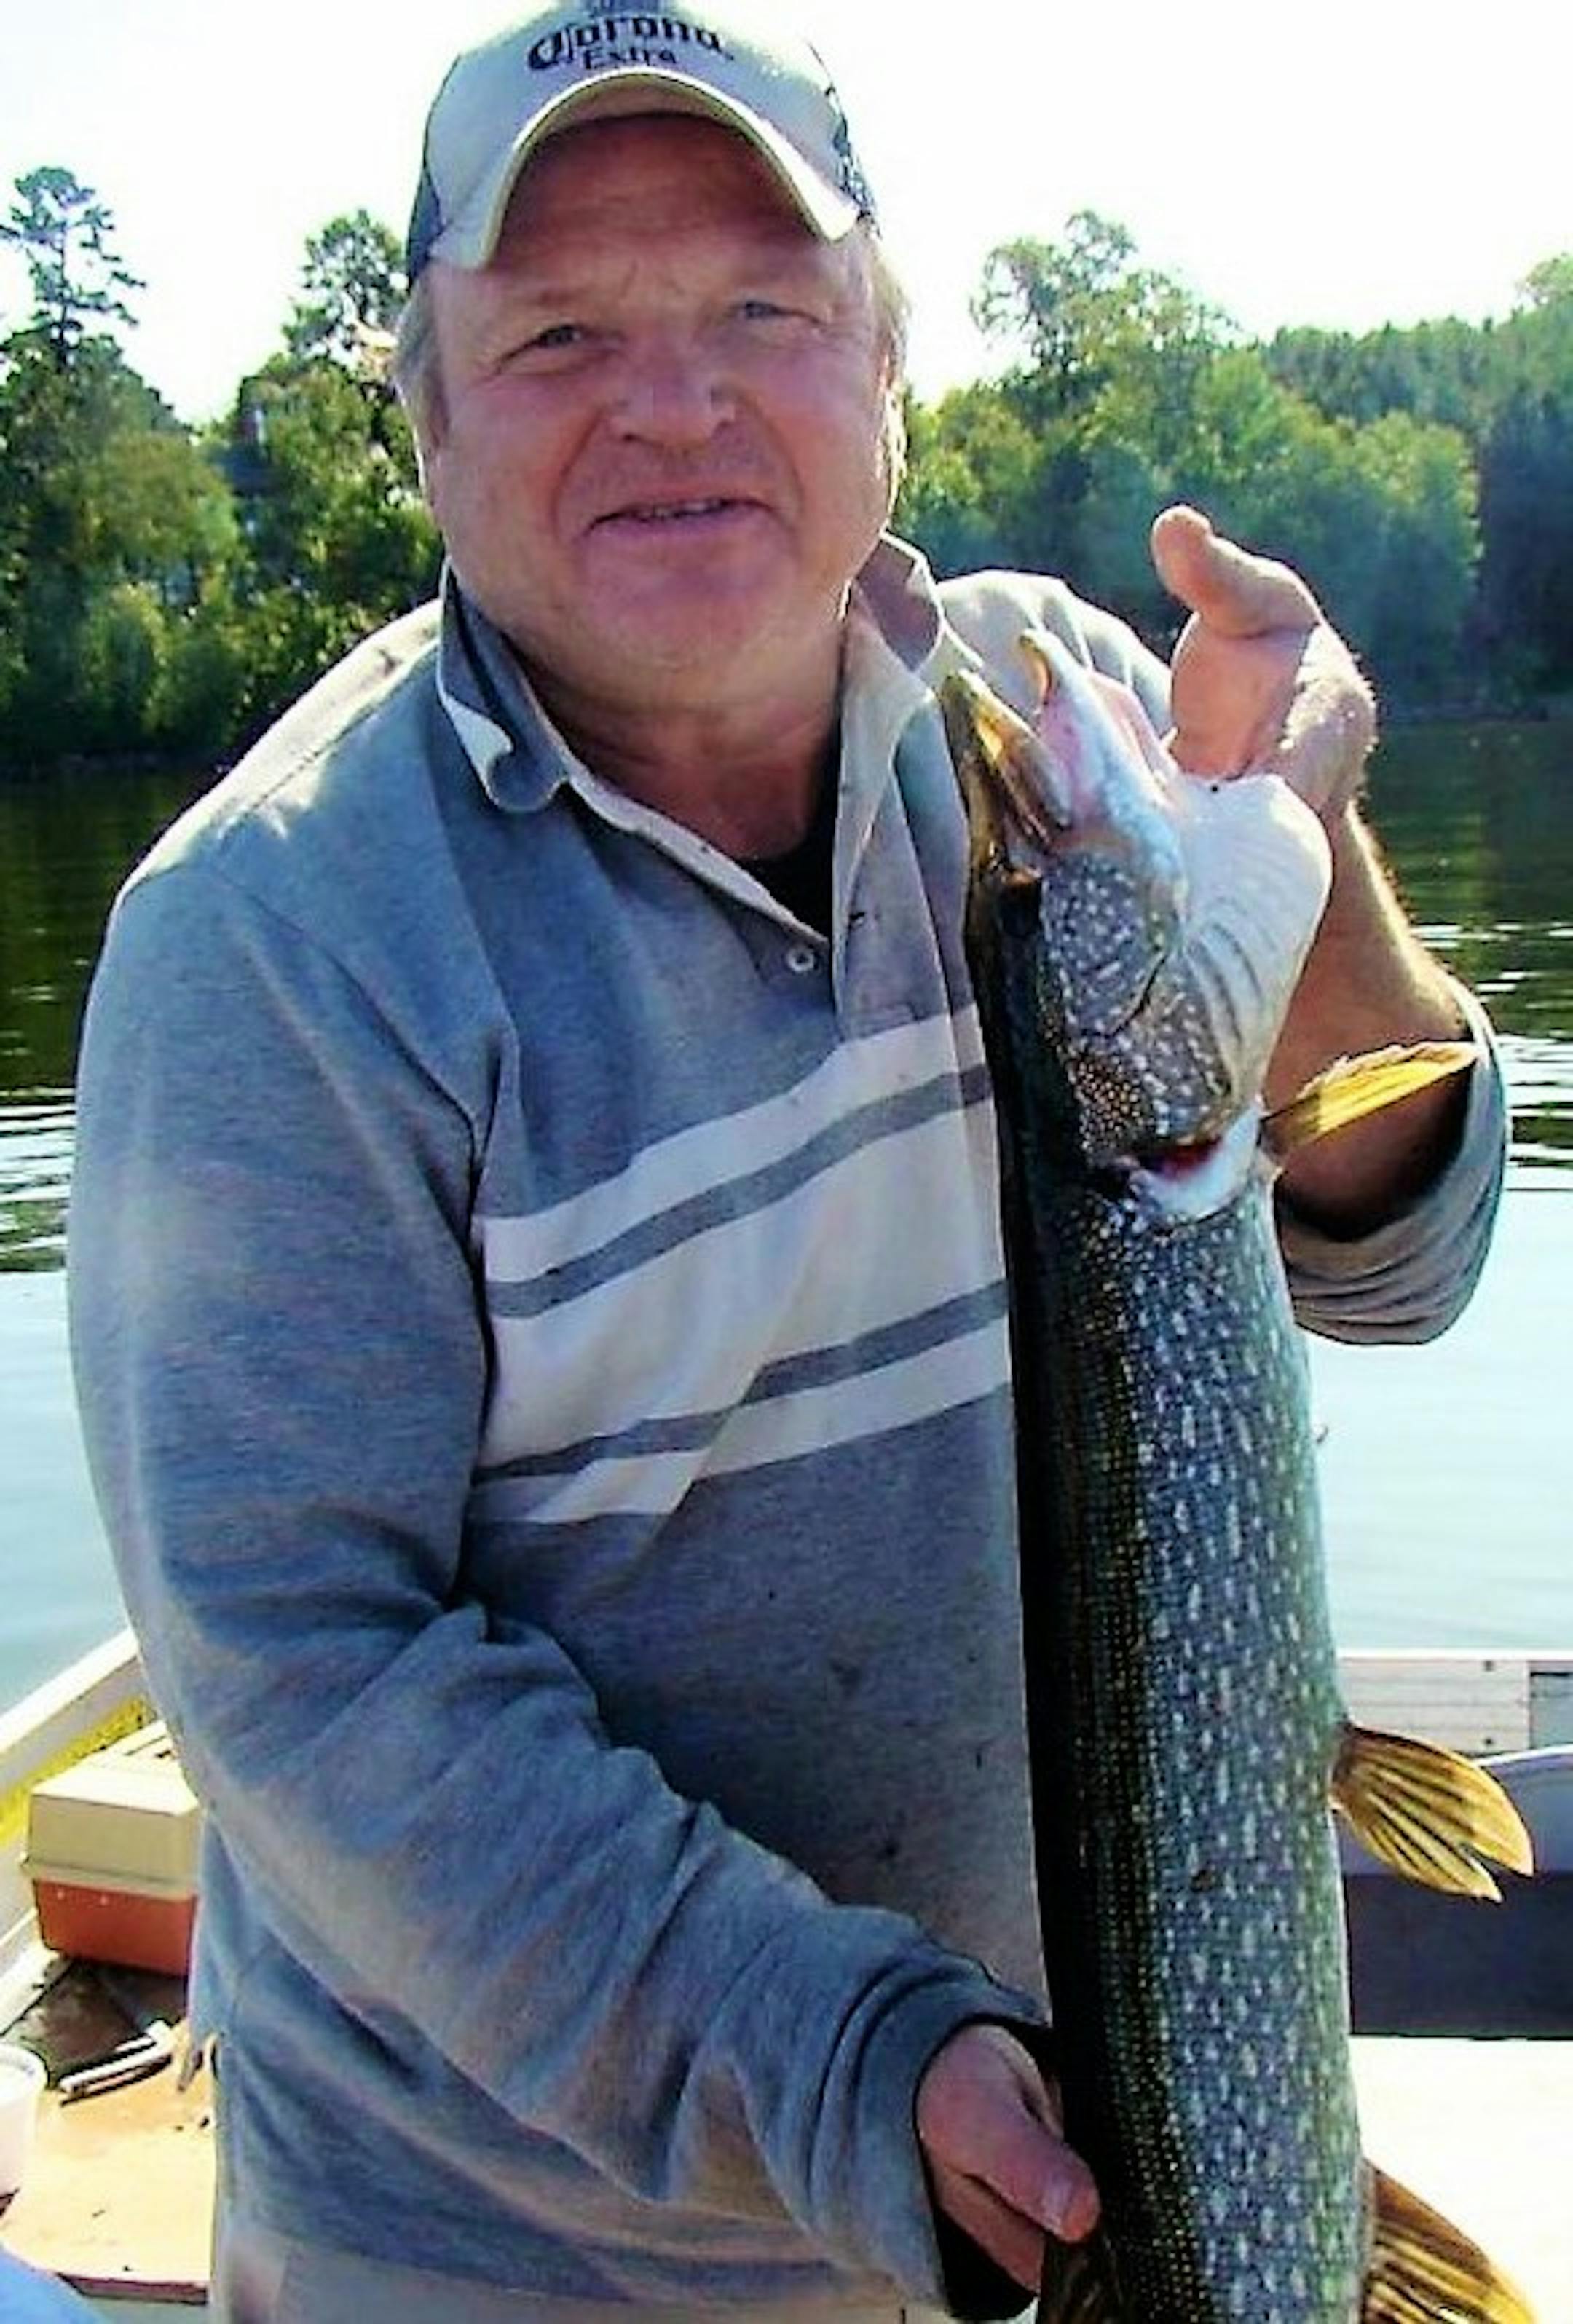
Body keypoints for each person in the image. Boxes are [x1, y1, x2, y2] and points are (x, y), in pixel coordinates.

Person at [66, 7, 1506, 2321]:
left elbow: (1396, 1267)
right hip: (518, 2266)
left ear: (890, 369)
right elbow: (309, 1674)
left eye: (763, 309)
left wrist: (1304, 860)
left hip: (1097, 2144)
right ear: (425, 418)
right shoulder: (276, 946)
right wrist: (847, 2059)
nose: (673, 405)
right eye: (559, 334)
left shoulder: (1051, 720)